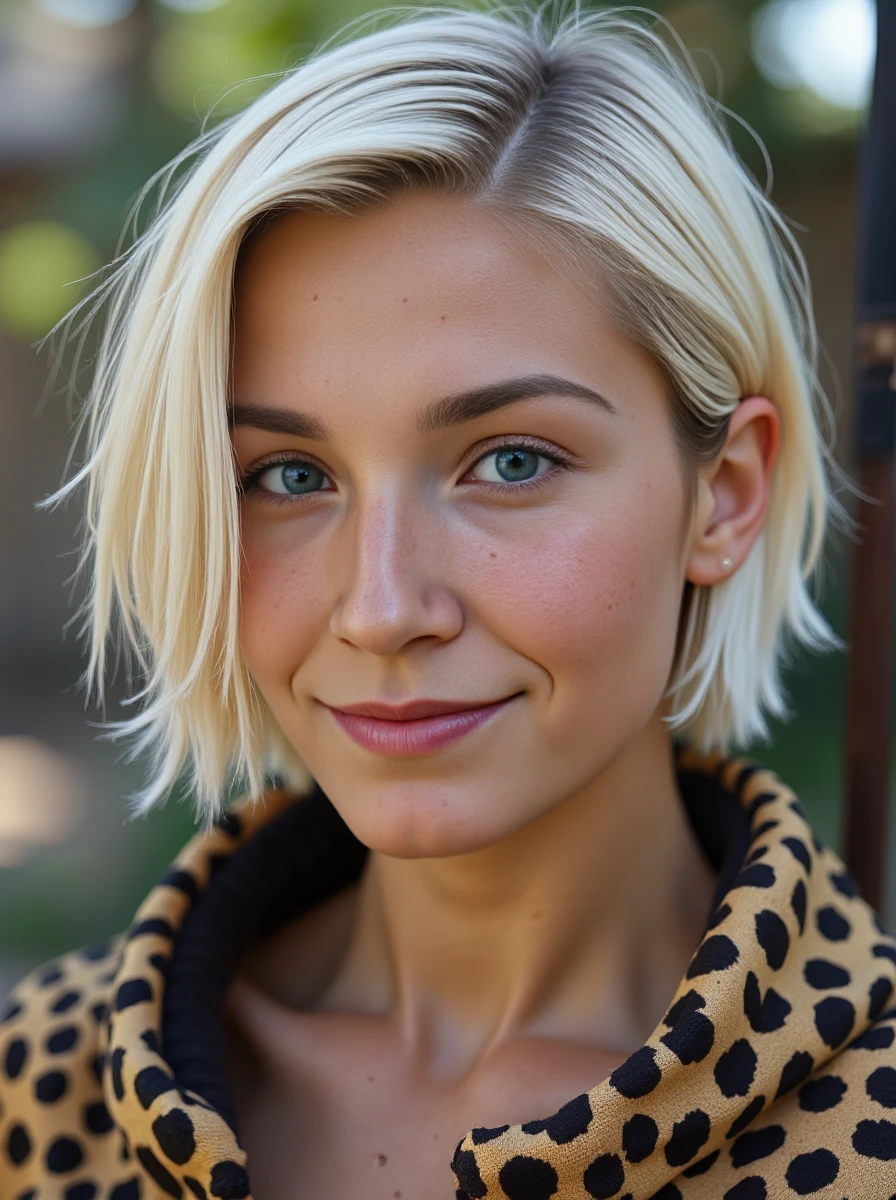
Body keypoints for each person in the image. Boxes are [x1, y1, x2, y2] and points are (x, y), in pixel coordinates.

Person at [3, 6, 896, 1199]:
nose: (380, 609)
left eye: (510, 461)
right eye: (288, 477)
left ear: (722, 495)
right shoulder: (39, 1086)